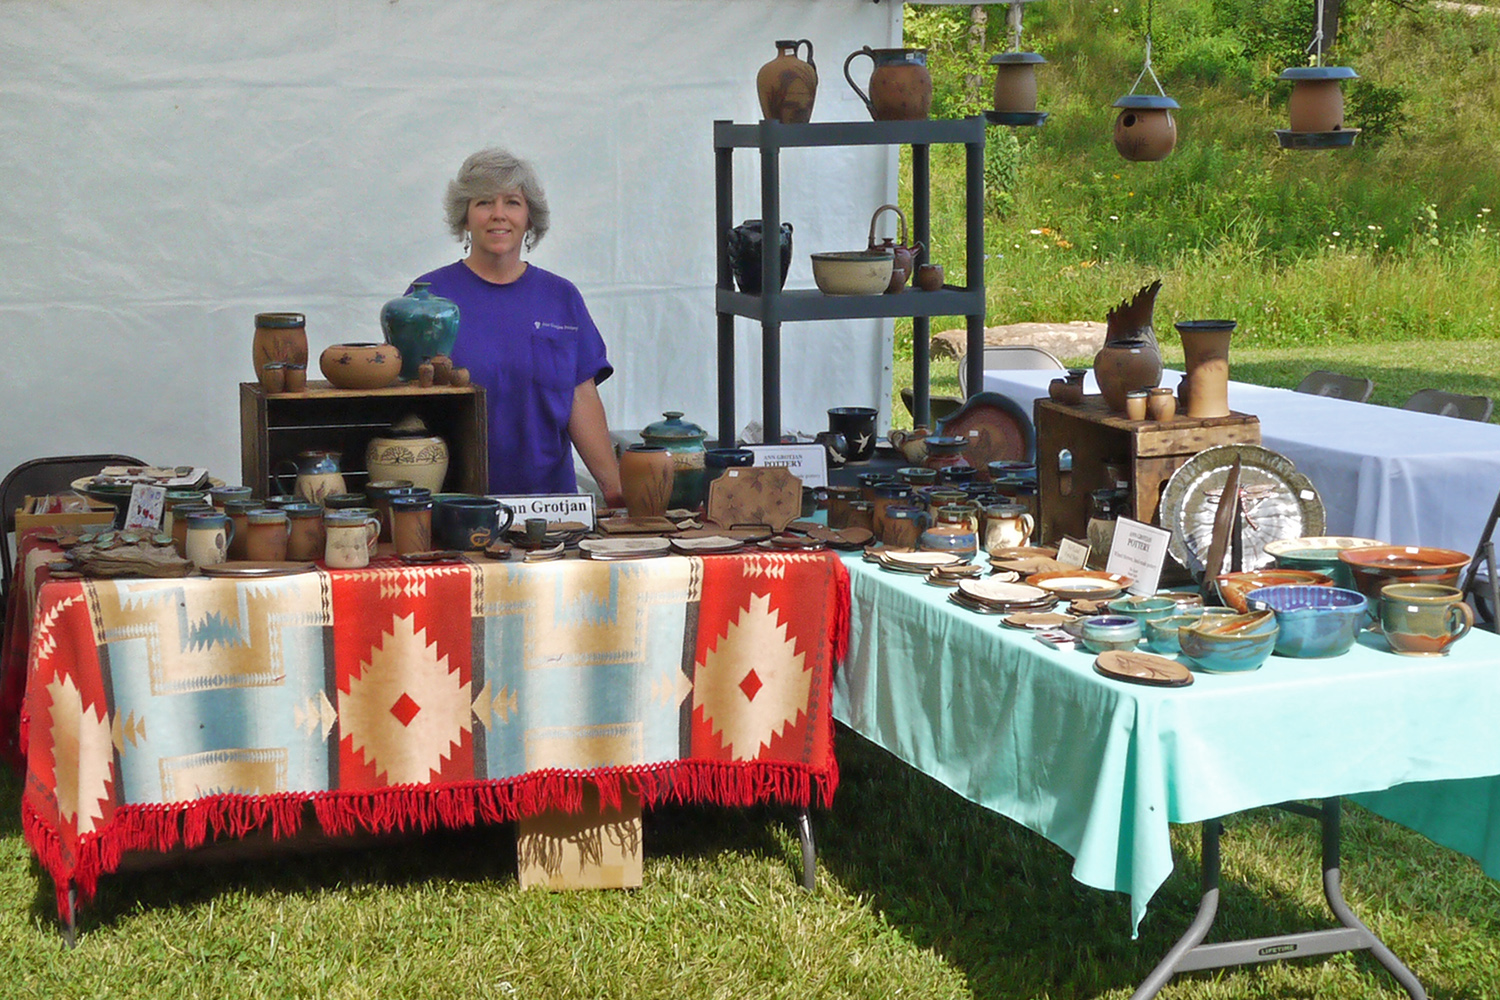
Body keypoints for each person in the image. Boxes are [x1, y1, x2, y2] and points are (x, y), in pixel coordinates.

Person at [412, 147, 624, 506]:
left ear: (529, 218)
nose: (498, 215)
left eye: (512, 202)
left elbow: (581, 398)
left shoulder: (561, 297)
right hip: (454, 510)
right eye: (483, 203)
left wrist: (616, 494)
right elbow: (403, 409)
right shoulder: (427, 302)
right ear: (464, 217)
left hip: (551, 508)